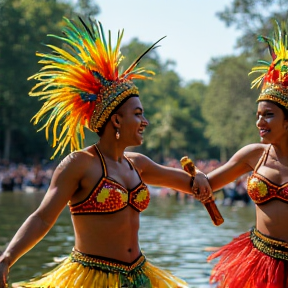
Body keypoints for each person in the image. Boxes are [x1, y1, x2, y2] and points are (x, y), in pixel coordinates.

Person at [0, 17, 211, 288]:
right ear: (116, 121)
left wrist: (202, 176)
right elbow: (42, 217)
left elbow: (195, 185)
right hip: (91, 278)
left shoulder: (139, 165)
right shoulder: (79, 164)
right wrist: (7, 257)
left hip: (140, 276)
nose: (145, 121)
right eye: (138, 114)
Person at [192, 21, 288, 287]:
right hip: (259, 260)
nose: (259, 122)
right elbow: (208, 184)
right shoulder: (253, 154)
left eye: (269, 115)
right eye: (258, 115)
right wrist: (198, 176)